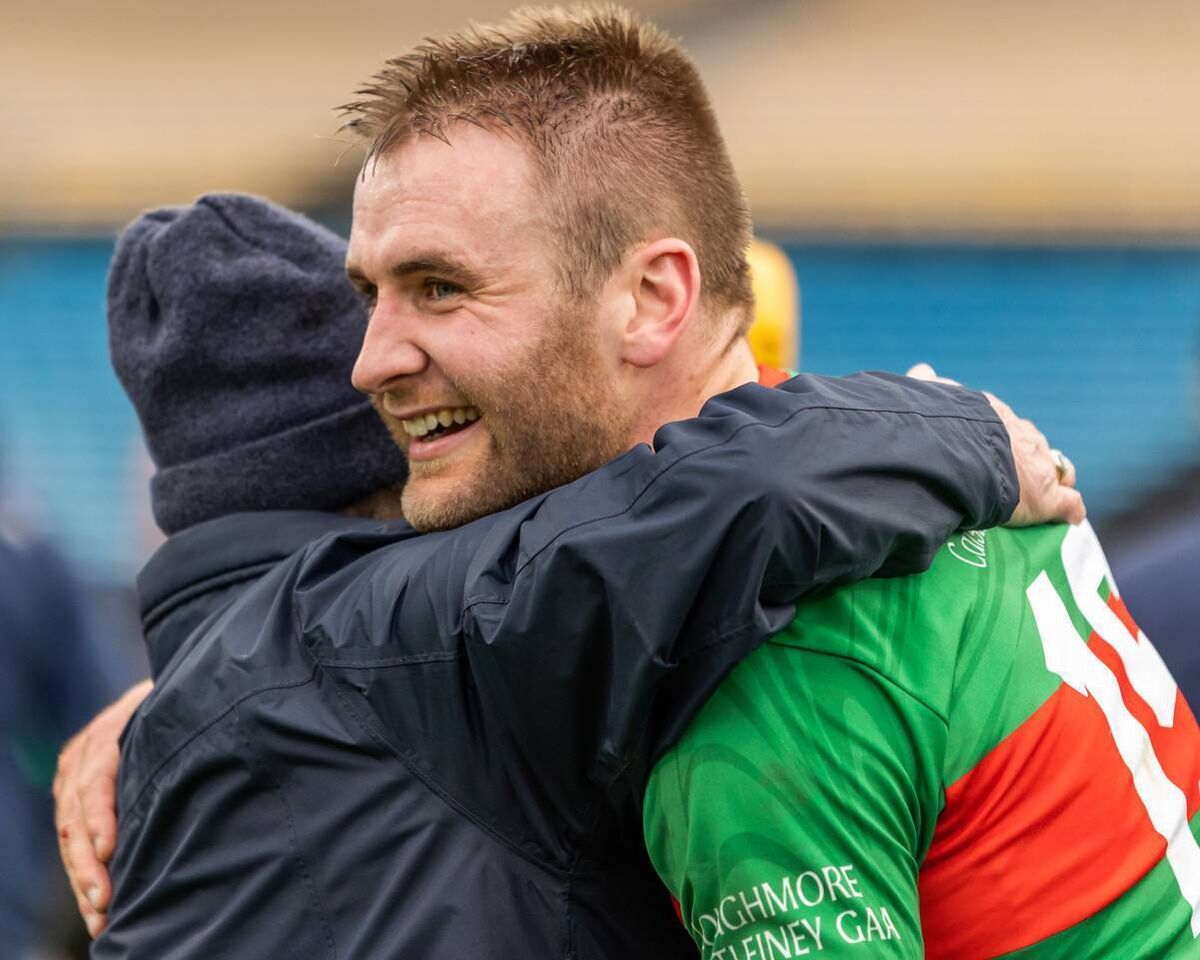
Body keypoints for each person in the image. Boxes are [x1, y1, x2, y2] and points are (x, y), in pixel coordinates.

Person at [56, 7, 1080, 955]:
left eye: (438, 291)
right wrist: (977, 432)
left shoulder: (241, 697)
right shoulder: (410, 644)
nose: (376, 364)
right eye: (377, 300)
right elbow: (748, 486)